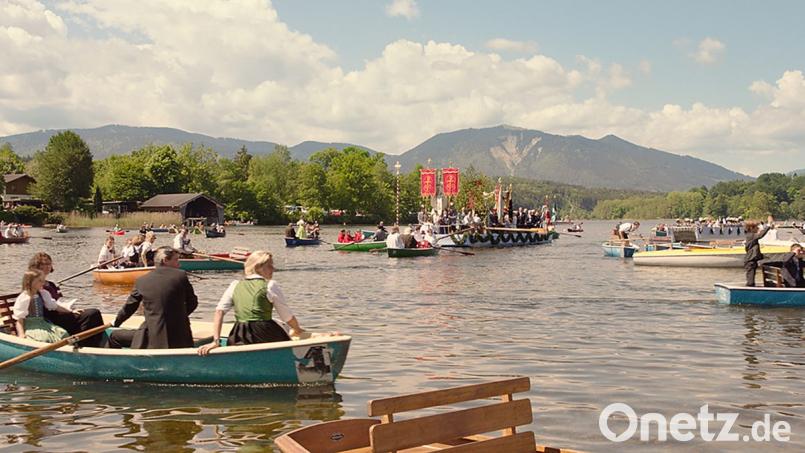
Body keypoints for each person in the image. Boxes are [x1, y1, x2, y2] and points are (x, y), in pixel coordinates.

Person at [197, 251, 305, 356]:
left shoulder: (235, 285)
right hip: (264, 332)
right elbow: (286, 316)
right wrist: (297, 329)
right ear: (258, 267)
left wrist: (216, 341)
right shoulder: (270, 285)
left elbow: (219, 312)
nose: (273, 269)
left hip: (240, 333)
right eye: (270, 265)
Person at [108, 247, 198, 349]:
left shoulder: (141, 281)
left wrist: (116, 323)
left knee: (113, 336)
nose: (179, 264)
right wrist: (178, 316)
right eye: (176, 260)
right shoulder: (181, 275)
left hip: (153, 335)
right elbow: (193, 303)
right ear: (165, 260)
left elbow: (129, 307)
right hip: (181, 335)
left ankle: (116, 362)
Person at [28, 252, 105, 347]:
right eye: (45, 264)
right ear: (38, 266)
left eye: (50, 263)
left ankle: (97, 344)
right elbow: (48, 305)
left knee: (92, 314)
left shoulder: (51, 284)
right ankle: (80, 343)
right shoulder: (37, 285)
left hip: (62, 312)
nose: (48, 266)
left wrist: (72, 309)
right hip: (51, 318)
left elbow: (60, 300)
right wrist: (70, 312)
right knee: (92, 314)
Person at [12, 270, 74, 343]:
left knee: (63, 333)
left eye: (43, 280)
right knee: (43, 339)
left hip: (43, 323)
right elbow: (19, 319)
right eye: (39, 281)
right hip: (31, 326)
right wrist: (21, 334)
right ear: (30, 282)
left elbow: (55, 306)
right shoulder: (24, 297)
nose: (43, 283)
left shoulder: (43, 293)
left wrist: (70, 311)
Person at [744, 218, 773, 287]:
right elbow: (760, 235)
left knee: (751, 275)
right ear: (751, 228)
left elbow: (755, 250)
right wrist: (768, 225)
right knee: (750, 278)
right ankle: (749, 289)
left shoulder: (751, 236)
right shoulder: (751, 235)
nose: (757, 229)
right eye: (756, 227)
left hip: (752, 260)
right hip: (750, 261)